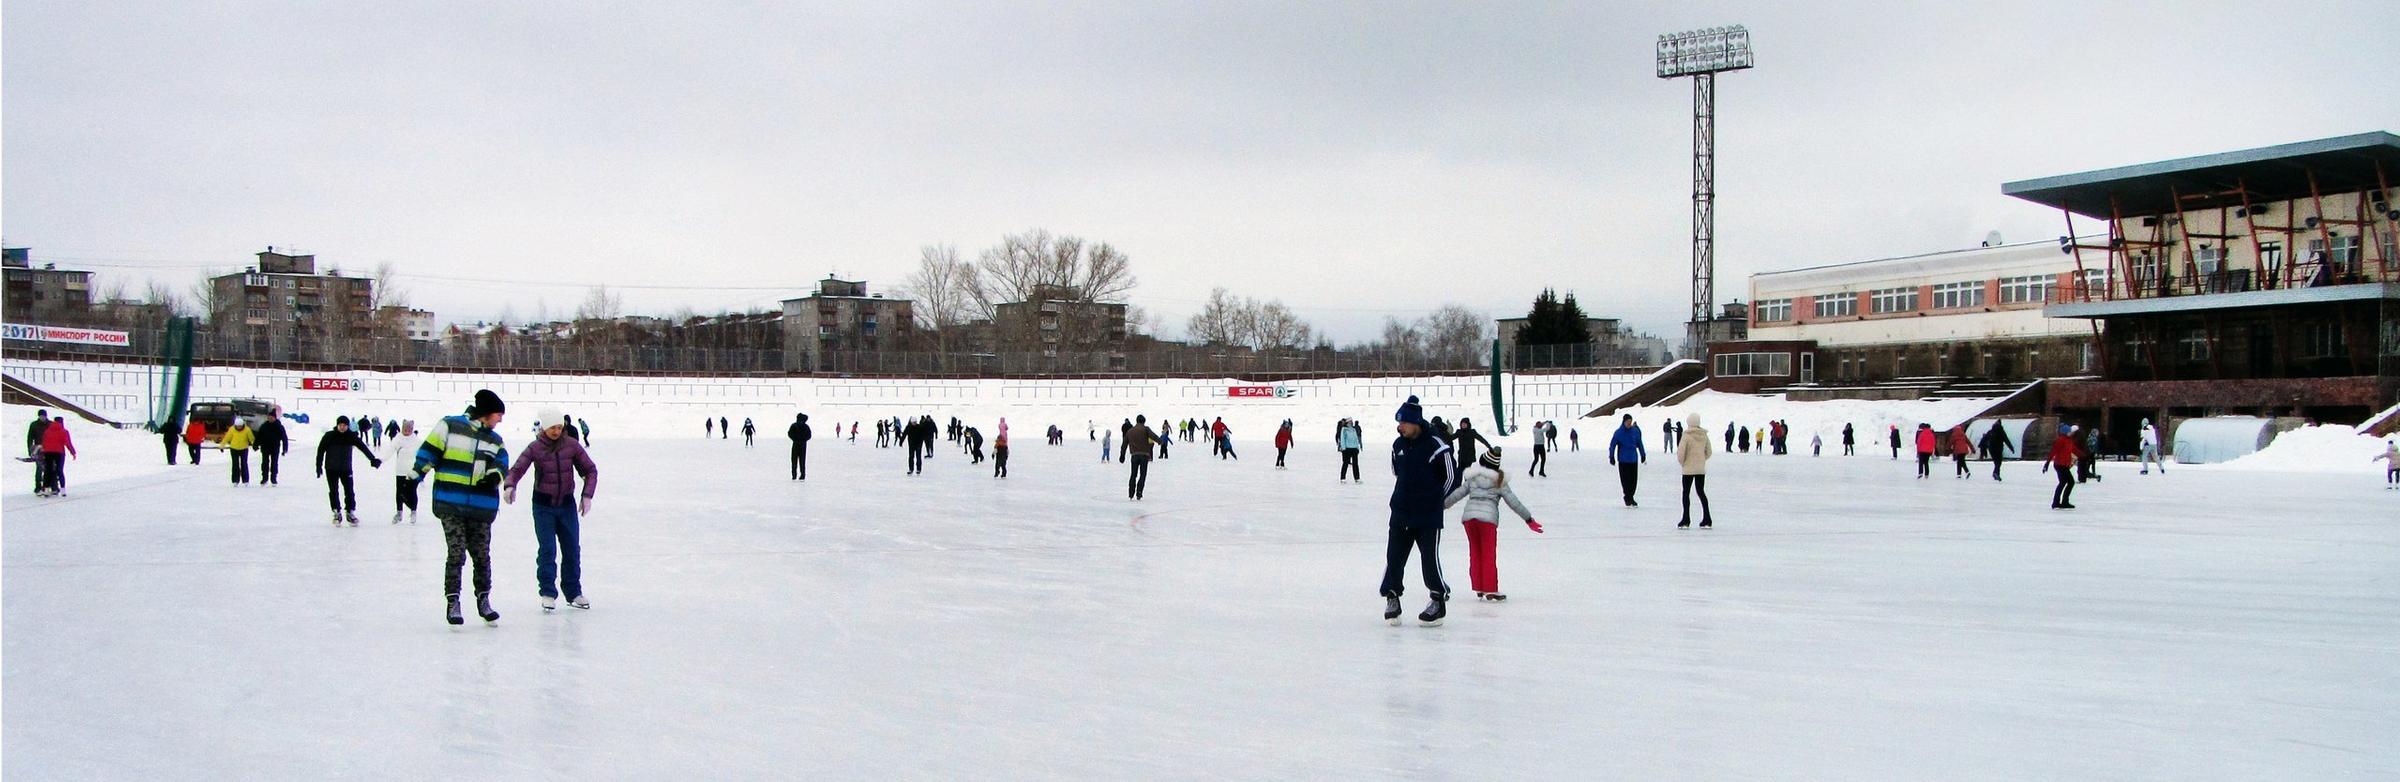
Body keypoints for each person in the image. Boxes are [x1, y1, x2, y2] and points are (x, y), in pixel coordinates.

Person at [416, 390, 510, 625]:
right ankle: (453, 601)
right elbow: (429, 452)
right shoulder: (450, 426)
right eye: (498, 414)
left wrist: (494, 476)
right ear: (487, 413)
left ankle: (483, 599)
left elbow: (502, 463)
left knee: (481, 555)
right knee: (456, 553)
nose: (500, 420)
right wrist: (414, 477)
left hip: (481, 505)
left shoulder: (495, 441)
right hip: (451, 502)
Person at [505, 407, 600, 611]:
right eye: (552, 428)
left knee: (572, 549)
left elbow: (590, 470)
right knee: (548, 550)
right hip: (543, 507)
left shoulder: (571, 445)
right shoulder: (536, 447)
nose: (556, 431)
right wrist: (510, 485)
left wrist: (587, 495)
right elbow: (517, 468)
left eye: (559, 427)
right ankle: (548, 592)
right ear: (545, 427)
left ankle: (573, 591)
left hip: (566, 506)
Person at [1380, 396, 1457, 626]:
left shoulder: (1436, 444)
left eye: (1403, 422)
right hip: (1401, 511)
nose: (1399, 427)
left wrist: (1433, 501)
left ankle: (1437, 599)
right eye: (1398, 422)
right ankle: (1392, 597)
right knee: (1394, 558)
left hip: (1427, 516)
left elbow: (1451, 477)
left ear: (1415, 422)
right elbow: (1397, 471)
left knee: (1429, 560)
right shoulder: (1398, 445)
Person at [1444, 446, 1540, 602]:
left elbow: (1457, 494)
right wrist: (1529, 519)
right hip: (1487, 521)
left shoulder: (1473, 478)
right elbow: (1514, 502)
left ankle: (1479, 586)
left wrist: (1441, 505)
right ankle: (1490, 589)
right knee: (1488, 554)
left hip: (1469, 519)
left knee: (1475, 552)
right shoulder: (1499, 481)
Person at [316, 415, 383, 525]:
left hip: (345, 469)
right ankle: (337, 512)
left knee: (349, 491)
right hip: (331, 468)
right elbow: (320, 451)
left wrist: (372, 459)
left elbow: (363, 447)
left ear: (347, 426)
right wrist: (318, 466)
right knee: (333, 491)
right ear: (337, 425)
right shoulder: (329, 436)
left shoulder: (351, 436)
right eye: (340, 425)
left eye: (345, 425)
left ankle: (350, 512)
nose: (342, 427)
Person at [1677, 412, 1714, 528]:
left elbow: (1681, 453)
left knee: (1686, 493)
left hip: (1688, 469)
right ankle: (1707, 518)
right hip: (1700, 469)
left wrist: (1683, 463)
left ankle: (1686, 519)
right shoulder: (1704, 435)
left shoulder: (1686, 435)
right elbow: (1709, 451)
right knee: (1701, 492)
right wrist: (1701, 460)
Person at [1608, 414, 1646, 506]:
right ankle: (1627, 497)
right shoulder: (1618, 433)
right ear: (1623, 422)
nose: (1629, 424)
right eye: (1627, 422)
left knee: (1633, 481)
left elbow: (1640, 443)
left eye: (1630, 422)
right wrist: (1611, 457)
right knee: (1625, 481)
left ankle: (1631, 497)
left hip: (1633, 459)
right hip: (1623, 460)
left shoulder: (1635, 431)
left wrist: (1643, 454)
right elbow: (1612, 445)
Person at [391, 420, 423, 523]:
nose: (407, 431)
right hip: (400, 471)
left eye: (409, 429)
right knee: (399, 492)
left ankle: (413, 512)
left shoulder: (417, 441)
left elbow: (424, 453)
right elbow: (390, 450)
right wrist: (380, 460)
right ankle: (399, 512)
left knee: (412, 492)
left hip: (412, 471)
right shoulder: (398, 439)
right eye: (405, 429)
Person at [2043, 424, 2082, 510]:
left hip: (2064, 465)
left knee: (2066, 482)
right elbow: (2053, 451)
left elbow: (2073, 449)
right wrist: (2047, 463)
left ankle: (2061, 502)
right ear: (2065, 432)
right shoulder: (2060, 440)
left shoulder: (2069, 440)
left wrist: (2083, 455)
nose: (2071, 433)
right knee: (2066, 482)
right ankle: (2058, 502)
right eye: (2069, 432)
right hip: (2060, 465)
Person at [36, 418, 75, 496]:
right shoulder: (64, 431)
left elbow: (44, 442)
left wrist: (44, 451)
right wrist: (73, 452)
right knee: (59, 470)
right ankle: (63, 490)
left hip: (48, 452)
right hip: (59, 452)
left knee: (48, 470)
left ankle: (46, 489)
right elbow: (68, 443)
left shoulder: (47, 431)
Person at [1125, 415, 1156, 499]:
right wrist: (1160, 442)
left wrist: (1122, 455)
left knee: (1133, 474)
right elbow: (1153, 436)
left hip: (1134, 455)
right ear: (1144, 421)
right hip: (1144, 455)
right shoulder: (1146, 429)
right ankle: (1139, 493)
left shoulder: (1130, 431)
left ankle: (1131, 493)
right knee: (1143, 475)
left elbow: (1124, 443)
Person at [256, 413, 290, 485]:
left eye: (272, 417)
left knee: (274, 463)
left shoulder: (279, 426)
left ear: (275, 418)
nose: (270, 419)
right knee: (265, 463)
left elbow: (284, 438)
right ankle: (264, 478)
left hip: (275, 448)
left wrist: (285, 448)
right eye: (269, 417)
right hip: (265, 447)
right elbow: (259, 436)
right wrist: (256, 444)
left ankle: (273, 478)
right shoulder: (264, 426)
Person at [223, 418, 256, 485]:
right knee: (235, 464)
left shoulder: (247, 430)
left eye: (240, 426)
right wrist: (222, 445)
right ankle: (235, 480)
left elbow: (251, 438)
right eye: (237, 426)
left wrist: (255, 445)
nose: (239, 427)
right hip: (234, 448)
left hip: (244, 449)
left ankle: (245, 480)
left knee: (244, 464)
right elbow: (227, 437)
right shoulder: (232, 429)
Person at [27, 410, 51, 495]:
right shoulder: (34, 425)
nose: (42, 418)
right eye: (41, 416)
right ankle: (38, 486)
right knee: (39, 468)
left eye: (44, 416)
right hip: (38, 449)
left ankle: (48, 485)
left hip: (49, 448)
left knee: (49, 467)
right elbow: (30, 438)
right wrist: (30, 450)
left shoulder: (50, 424)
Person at [1337, 418, 1364, 483]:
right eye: (1350, 422)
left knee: (1355, 464)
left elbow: (1356, 439)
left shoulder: (1353, 429)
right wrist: (1343, 448)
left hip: (1354, 449)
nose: (1351, 423)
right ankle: (1342, 478)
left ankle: (1357, 478)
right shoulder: (1344, 430)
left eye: (1351, 422)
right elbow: (1342, 439)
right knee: (1345, 463)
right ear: (1347, 423)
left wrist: (1357, 447)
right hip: (1347, 449)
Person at [788, 413, 813, 480]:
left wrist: (795, 439)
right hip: (803, 446)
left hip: (795, 444)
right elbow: (809, 435)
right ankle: (802, 475)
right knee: (802, 461)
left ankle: (794, 475)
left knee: (794, 460)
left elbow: (789, 434)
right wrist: (804, 440)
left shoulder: (794, 425)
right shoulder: (806, 426)